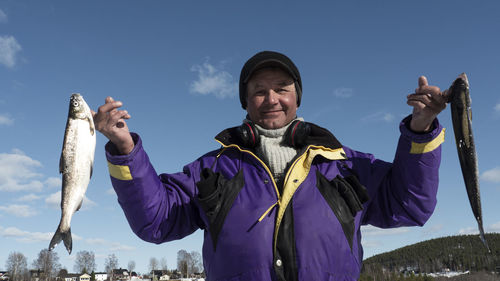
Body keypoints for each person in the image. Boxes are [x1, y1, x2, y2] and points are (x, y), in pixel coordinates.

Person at [92, 51, 447, 281]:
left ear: (297, 97)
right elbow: (156, 221)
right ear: (246, 102)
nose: (271, 98)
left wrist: (421, 131)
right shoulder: (213, 169)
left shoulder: (344, 164)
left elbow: (409, 206)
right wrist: (125, 150)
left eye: (282, 88)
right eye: (259, 90)